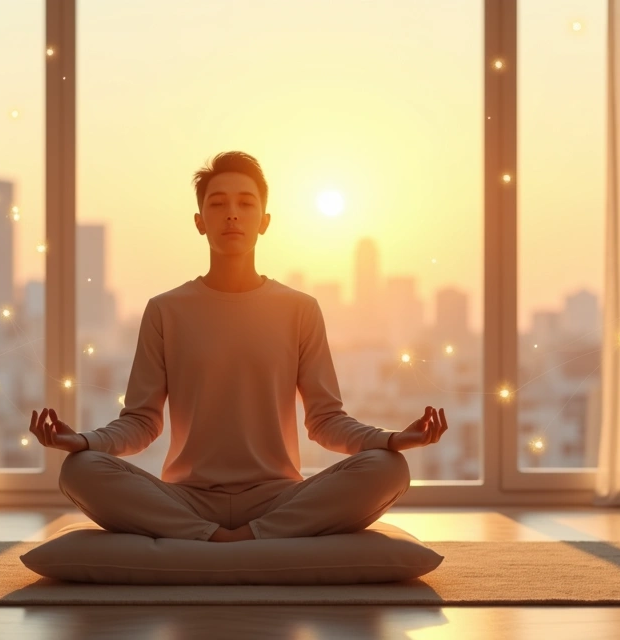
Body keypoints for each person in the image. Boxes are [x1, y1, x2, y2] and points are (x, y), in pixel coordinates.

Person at [27, 151, 450, 543]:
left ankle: (237, 538)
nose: (232, 213)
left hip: (278, 496)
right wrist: (82, 442)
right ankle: (223, 537)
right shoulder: (165, 311)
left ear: (264, 220)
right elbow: (141, 422)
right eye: (218, 204)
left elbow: (325, 421)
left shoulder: (299, 309)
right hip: (187, 497)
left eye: (246, 203)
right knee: (79, 471)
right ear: (199, 221)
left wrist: (393, 439)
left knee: (388, 468)